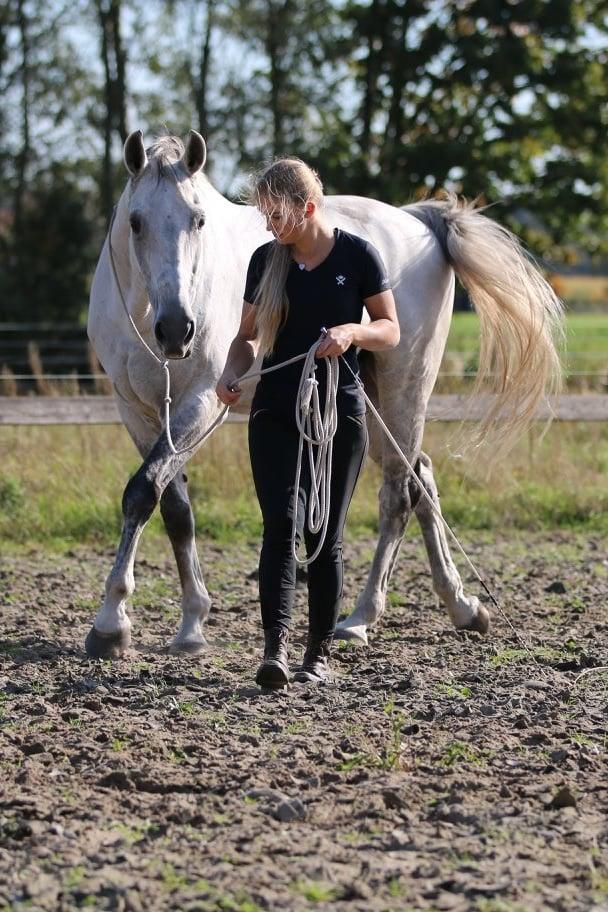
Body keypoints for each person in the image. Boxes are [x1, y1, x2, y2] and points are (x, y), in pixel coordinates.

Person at [216, 158, 399, 688]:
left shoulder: (358, 256)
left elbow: (390, 330)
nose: (270, 227)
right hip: (276, 407)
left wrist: (351, 333)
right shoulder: (265, 262)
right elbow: (247, 336)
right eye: (265, 217)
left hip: (338, 411)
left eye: (277, 216)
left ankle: (316, 654)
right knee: (281, 525)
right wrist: (232, 373)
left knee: (325, 534)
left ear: (308, 208)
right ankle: (274, 649)